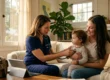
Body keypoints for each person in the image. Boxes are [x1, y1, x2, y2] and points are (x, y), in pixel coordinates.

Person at [62, 15, 110, 79]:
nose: (87, 30)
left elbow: (101, 65)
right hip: (82, 65)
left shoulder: (105, 44)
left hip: (95, 68)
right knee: (65, 72)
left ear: (99, 29)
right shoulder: (83, 39)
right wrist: (72, 56)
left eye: (91, 28)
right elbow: (72, 51)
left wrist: (80, 63)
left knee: (75, 73)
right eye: (87, 26)